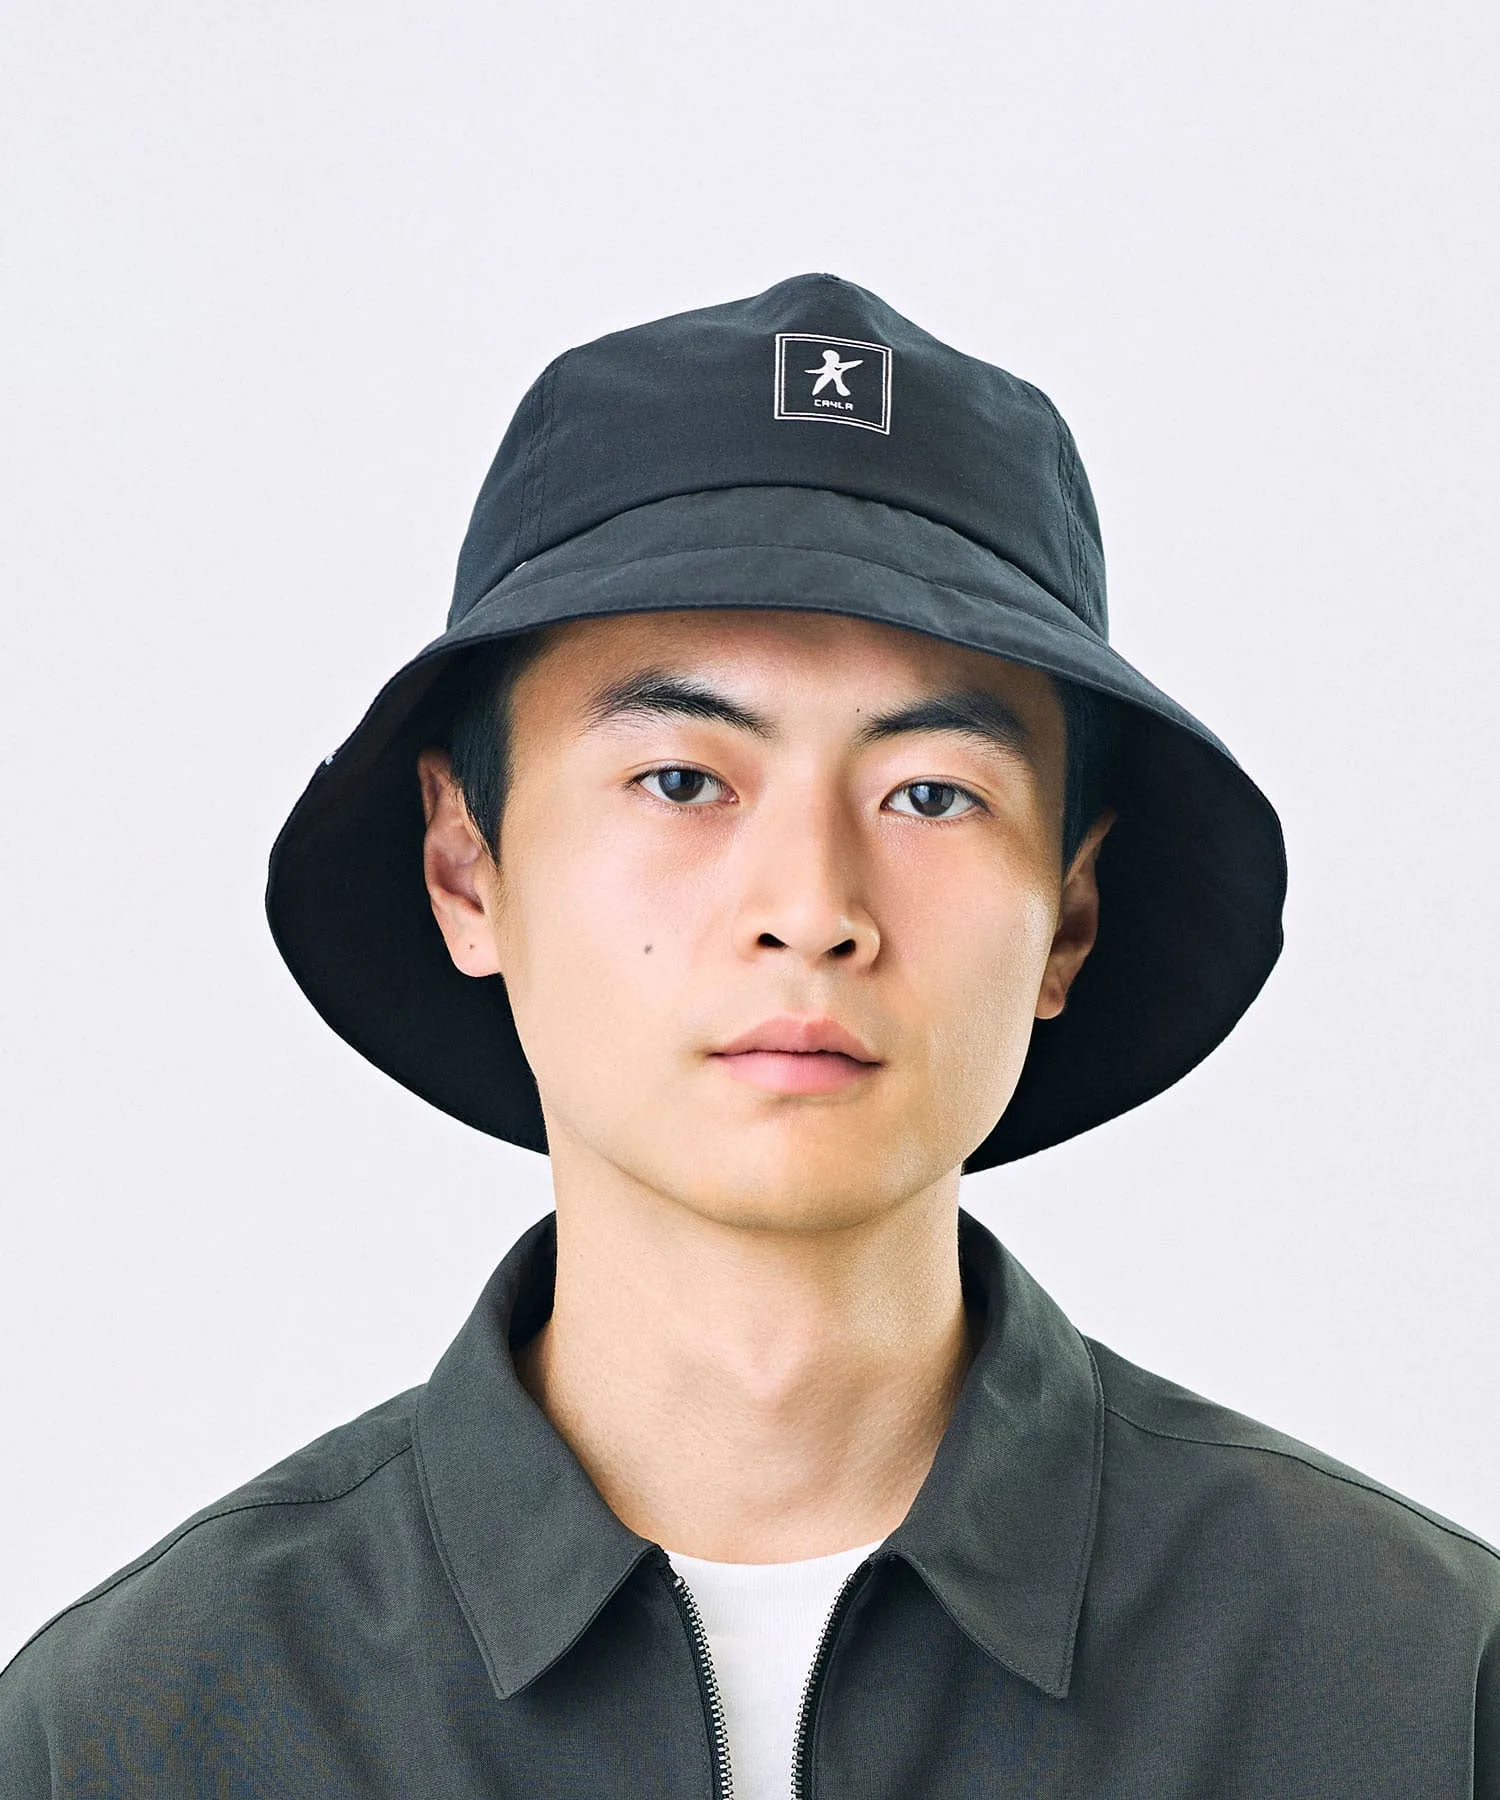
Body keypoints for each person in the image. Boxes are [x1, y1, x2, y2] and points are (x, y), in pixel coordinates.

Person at [2, 273, 1495, 1798]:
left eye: (931, 794)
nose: (812, 910)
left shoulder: (1419, 1689)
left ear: (1069, 914)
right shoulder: (139, 1733)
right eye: (682, 780)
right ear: (466, 867)